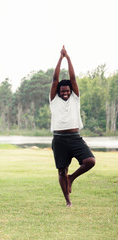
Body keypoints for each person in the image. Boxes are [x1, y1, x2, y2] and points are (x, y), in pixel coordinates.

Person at [50, 46, 95, 207]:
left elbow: (73, 78)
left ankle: (72, 178)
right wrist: (59, 59)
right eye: (62, 91)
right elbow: (55, 80)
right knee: (62, 170)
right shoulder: (54, 100)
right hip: (59, 139)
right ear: (58, 92)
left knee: (90, 161)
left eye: (67, 90)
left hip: (75, 137)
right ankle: (68, 202)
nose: (65, 93)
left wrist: (68, 58)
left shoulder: (75, 98)